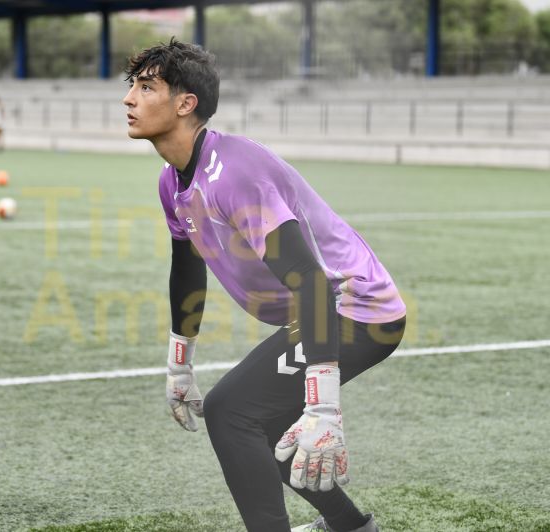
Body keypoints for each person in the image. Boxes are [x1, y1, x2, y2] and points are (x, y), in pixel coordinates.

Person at [122, 39, 407, 532]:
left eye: (146, 87)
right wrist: (179, 362)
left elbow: (312, 283)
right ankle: (352, 527)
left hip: (357, 307)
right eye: (133, 86)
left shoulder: (233, 173)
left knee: (231, 411)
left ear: (186, 103)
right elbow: (187, 268)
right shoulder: (173, 181)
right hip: (322, 307)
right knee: (266, 423)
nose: (129, 98)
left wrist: (323, 406)